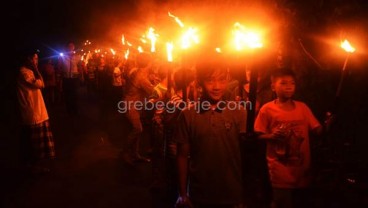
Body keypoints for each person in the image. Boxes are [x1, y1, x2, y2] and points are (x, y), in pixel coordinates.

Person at [174, 55, 247, 208]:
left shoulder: (238, 112)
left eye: (222, 80)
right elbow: (182, 155)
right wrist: (182, 193)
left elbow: (246, 155)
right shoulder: (188, 114)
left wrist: (245, 195)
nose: (216, 86)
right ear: (200, 81)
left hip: (231, 192)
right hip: (199, 192)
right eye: (210, 80)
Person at [254, 68, 322, 208]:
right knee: (282, 201)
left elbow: (317, 130)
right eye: (283, 83)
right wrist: (272, 136)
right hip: (280, 167)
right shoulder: (267, 109)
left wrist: (328, 124)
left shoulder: (302, 107)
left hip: (302, 167)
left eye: (292, 83)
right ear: (273, 87)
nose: (289, 86)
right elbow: (257, 135)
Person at [16, 49, 56, 174]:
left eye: (37, 59)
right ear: (28, 59)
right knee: (32, 142)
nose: (36, 61)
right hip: (31, 112)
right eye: (34, 59)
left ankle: (34, 165)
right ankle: (30, 166)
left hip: (37, 111)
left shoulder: (29, 71)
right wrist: (36, 69)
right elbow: (40, 84)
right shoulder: (24, 72)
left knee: (36, 142)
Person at [122, 52, 154, 165]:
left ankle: (135, 154)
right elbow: (154, 93)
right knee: (138, 129)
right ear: (149, 63)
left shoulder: (137, 71)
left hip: (133, 105)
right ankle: (126, 153)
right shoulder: (141, 77)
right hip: (131, 106)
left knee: (138, 130)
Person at [58, 42, 84, 115]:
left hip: (74, 79)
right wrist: (59, 78)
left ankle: (75, 110)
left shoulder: (77, 56)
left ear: (74, 47)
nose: (70, 47)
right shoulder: (62, 57)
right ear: (67, 47)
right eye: (69, 46)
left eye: (72, 46)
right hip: (66, 79)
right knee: (67, 95)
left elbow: (80, 67)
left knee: (75, 95)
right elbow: (59, 68)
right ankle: (69, 111)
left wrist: (82, 76)